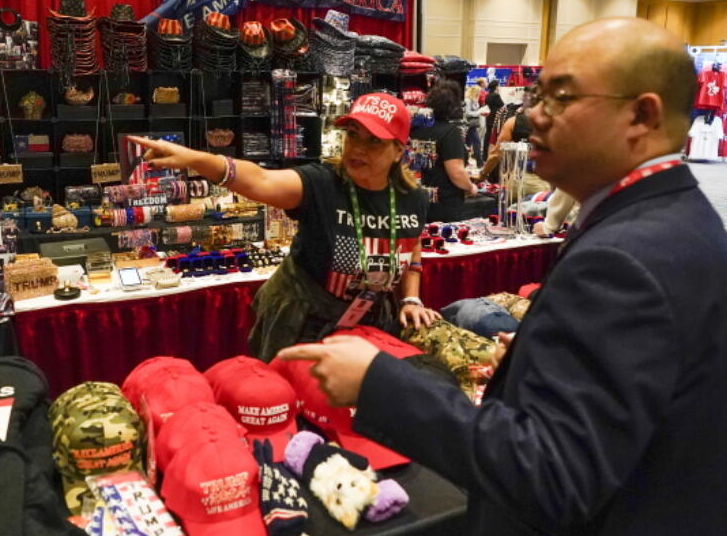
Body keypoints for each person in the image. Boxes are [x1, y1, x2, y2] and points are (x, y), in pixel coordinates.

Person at [278, 17, 727, 536]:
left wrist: (379, 384)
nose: (532, 117)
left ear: (641, 117)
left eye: (560, 96)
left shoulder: (629, 256)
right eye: (537, 96)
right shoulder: (666, 221)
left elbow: (555, 477)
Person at [129, 92, 439, 363]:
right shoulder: (321, 184)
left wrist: (411, 297)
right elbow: (260, 179)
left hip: (369, 321)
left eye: (374, 141)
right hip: (302, 322)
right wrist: (195, 159)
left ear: (399, 150)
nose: (358, 148)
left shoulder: (412, 198)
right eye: (353, 135)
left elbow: (411, 245)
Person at [409, 80, 495, 222]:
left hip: (421, 197)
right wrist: (471, 187)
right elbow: (456, 172)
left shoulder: (418, 129)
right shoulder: (450, 132)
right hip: (446, 202)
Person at [481, 79, 503, 148]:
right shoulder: (496, 95)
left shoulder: (488, 95)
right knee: (493, 136)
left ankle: (485, 153)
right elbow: (502, 105)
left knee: (487, 135)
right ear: (496, 86)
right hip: (495, 118)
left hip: (488, 117)